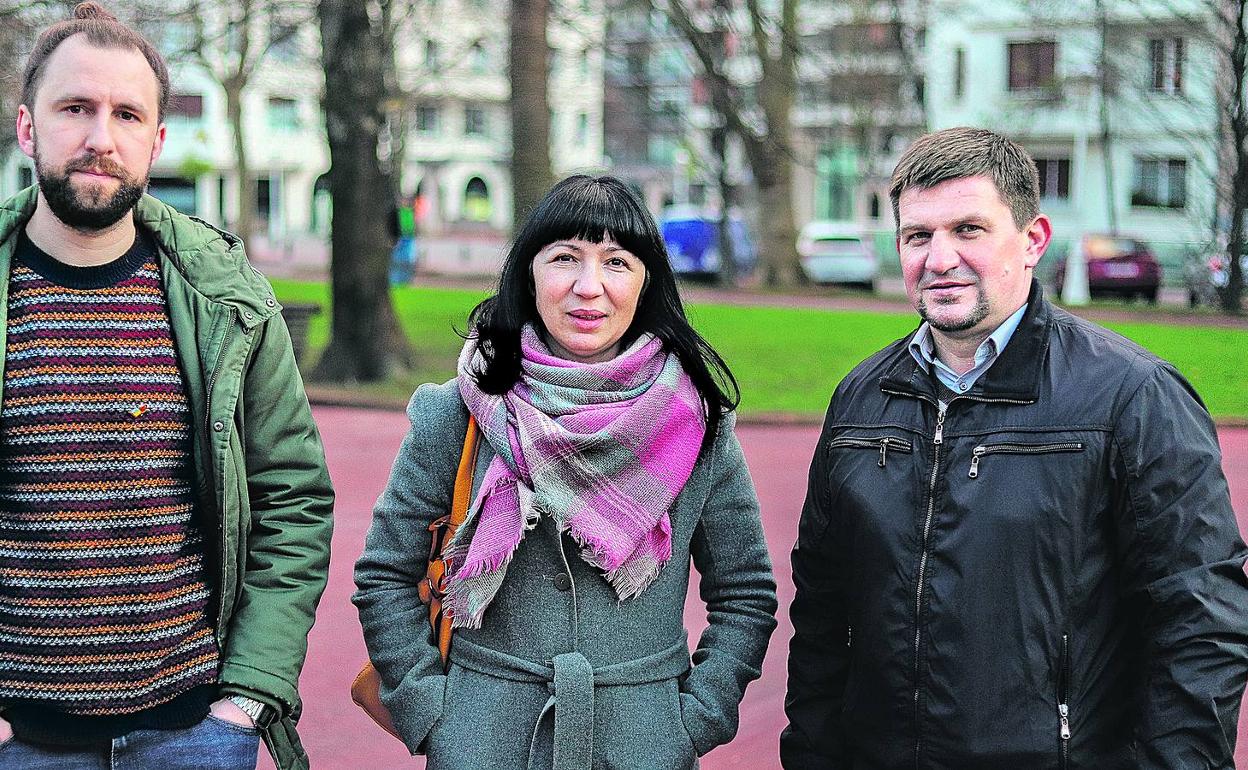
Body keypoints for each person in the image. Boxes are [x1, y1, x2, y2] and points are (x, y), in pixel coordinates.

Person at [782, 126, 1248, 769]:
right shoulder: (861, 398)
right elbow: (822, 609)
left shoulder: (1135, 396)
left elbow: (1202, 619)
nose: (938, 259)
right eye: (918, 235)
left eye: (967, 229)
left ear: (1032, 241)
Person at [0, 5, 334, 769]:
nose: (99, 137)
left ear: (155, 141)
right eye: (75, 109)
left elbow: (295, 497)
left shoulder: (227, 300)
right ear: (28, 128)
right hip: (24, 743)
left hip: (193, 734)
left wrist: (246, 696)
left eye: (126, 114)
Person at [355, 174, 777, 769]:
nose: (589, 287)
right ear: (529, 272)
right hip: (485, 742)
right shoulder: (458, 410)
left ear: (645, 280)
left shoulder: (695, 422)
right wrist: (434, 718)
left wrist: (692, 721)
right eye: (565, 258)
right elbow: (384, 577)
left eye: (616, 262)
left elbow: (744, 594)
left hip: (641, 745)